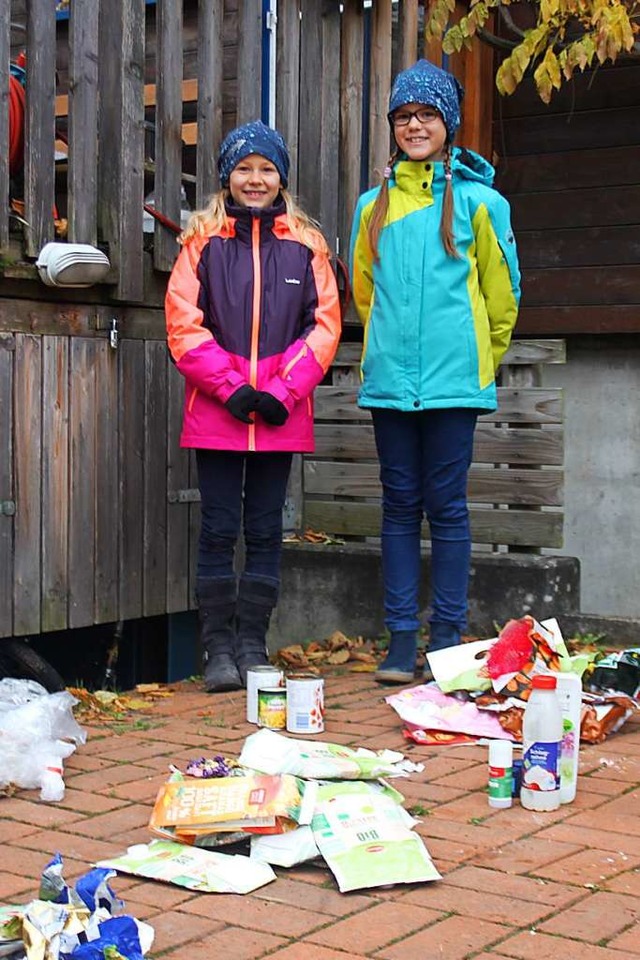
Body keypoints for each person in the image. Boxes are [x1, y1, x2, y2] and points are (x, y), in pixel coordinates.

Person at [349, 59, 520, 685]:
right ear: (392, 126)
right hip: (392, 384)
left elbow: (502, 295)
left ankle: (445, 640)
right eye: (403, 116)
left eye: (426, 115)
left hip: (453, 384)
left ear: (447, 122)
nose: (414, 125)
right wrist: (393, 349)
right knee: (398, 507)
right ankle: (400, 641)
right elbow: (366, 294)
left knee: (446, 508)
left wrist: (479, 357)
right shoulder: (373, 206)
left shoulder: (481, 203)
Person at [166, 120, 341, 692]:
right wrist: (231, 388)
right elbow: (184, 325)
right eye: (244, 168)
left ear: (281, 177)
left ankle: (252, 644)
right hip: (218, 413)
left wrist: (281, 392)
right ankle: (217, 649)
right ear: (226, 177)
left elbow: (324, 326)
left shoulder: (307, 246)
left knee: (266, 530)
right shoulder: (202, 244)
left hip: (279, 416)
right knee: (218, 529)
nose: (256, 178)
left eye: (267, 169)